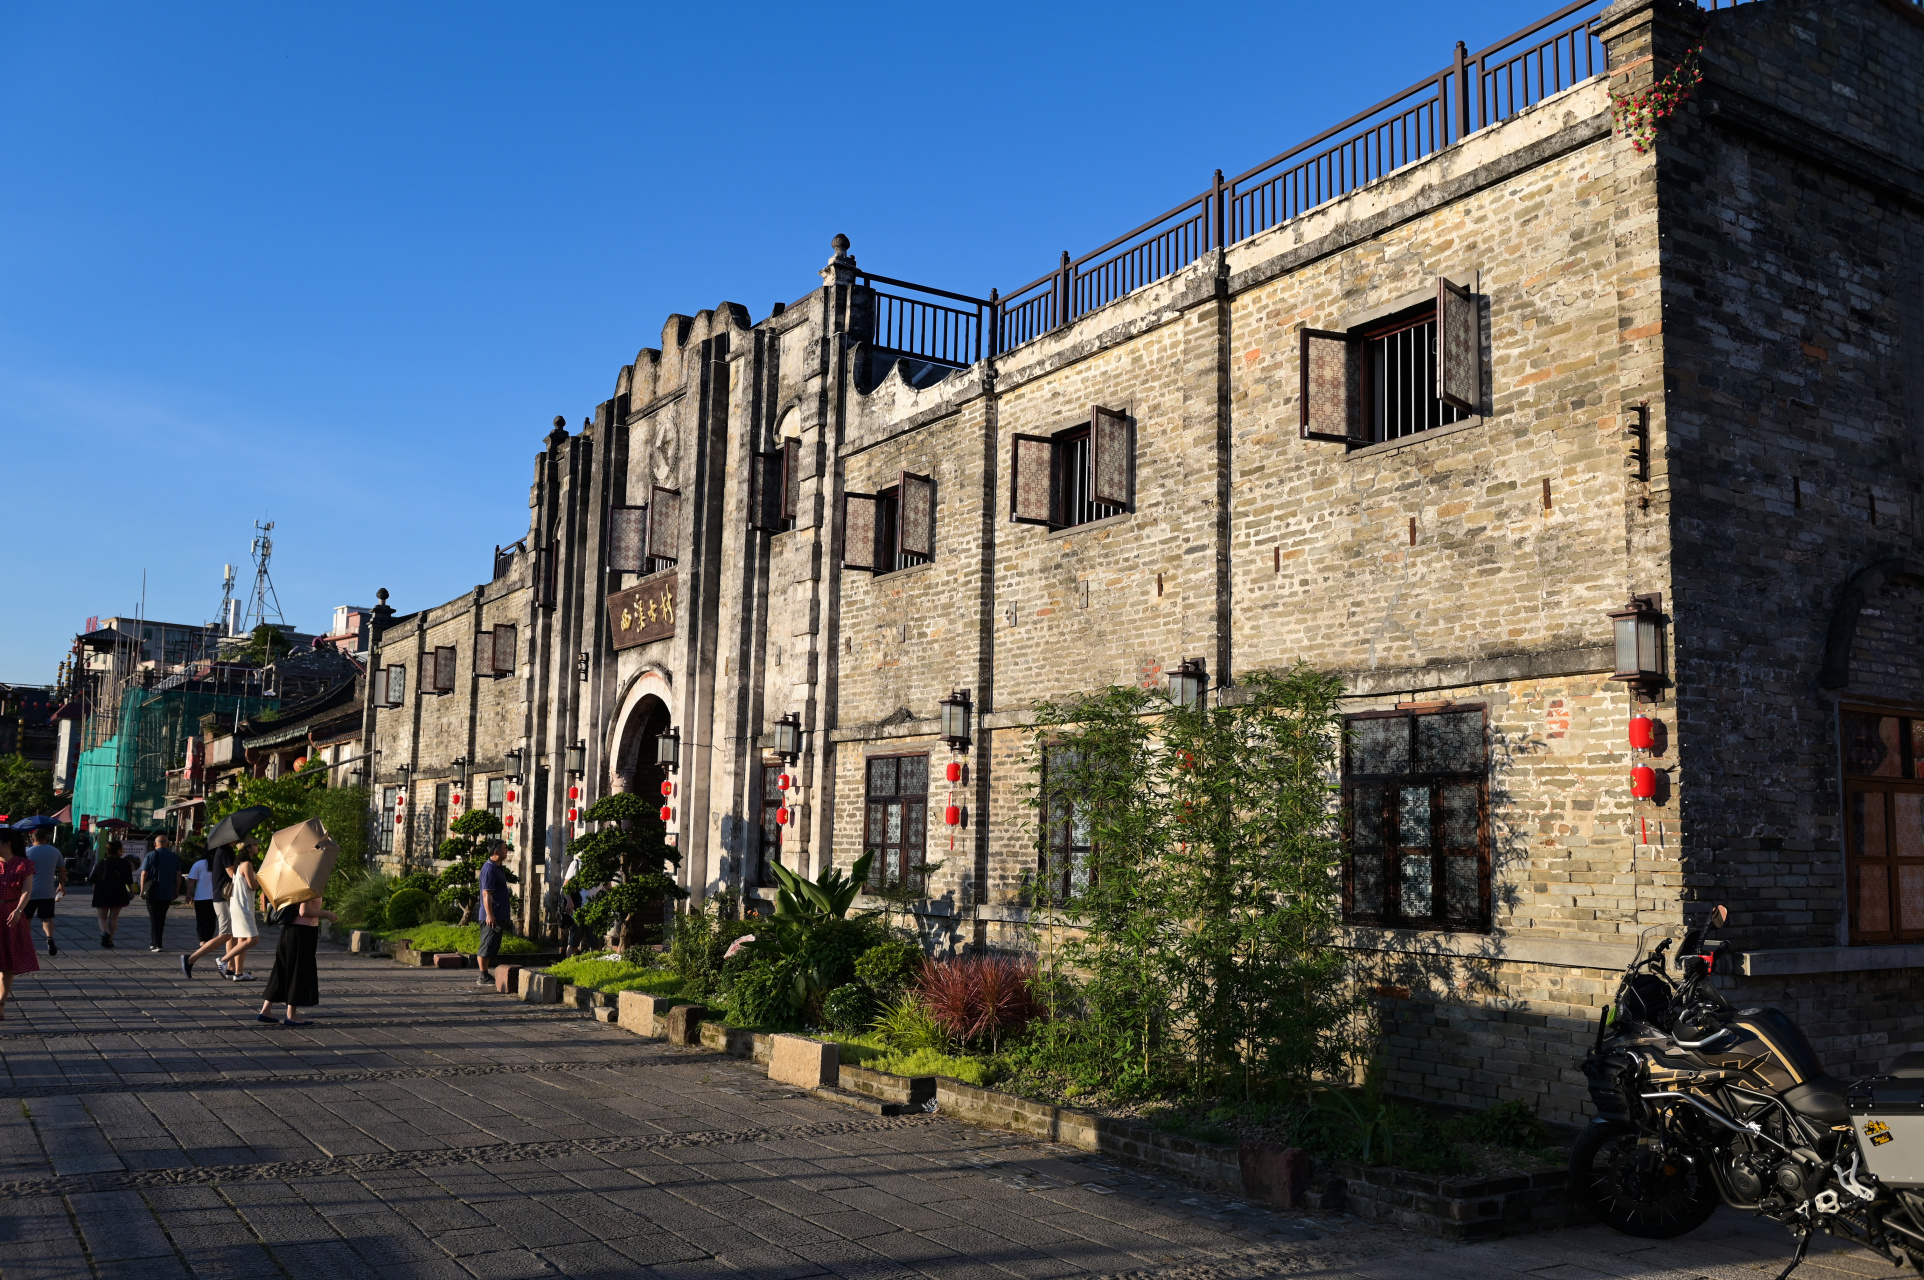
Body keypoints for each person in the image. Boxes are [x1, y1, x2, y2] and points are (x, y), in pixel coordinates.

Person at [258, 893, 335, 1026]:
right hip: (302, 932)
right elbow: (304, 911)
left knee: (281, 969)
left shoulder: (294, 884)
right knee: (298, 970)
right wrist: (326, 913)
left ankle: (265, 1010)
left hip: (290, 930)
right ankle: (291, 1015)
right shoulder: (308, 885)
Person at [0, 832, 40, 1019]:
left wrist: (18, 911)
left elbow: (27, 891)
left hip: (10, 915)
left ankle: (1, 1003)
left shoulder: (23, 865)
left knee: (7, 965)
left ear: (7, 843)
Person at [138, 833, 184, 953]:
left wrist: (142, 889)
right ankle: (157, 942)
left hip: (152, 891)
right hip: (167, 891)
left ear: (155, 844)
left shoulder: (151, 855)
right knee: (161, 917)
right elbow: (178, 875)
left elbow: (144, 874)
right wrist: (177, 890)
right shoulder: (174, 857)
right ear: (168, 844)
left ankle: (156, 943)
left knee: (154, 917)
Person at [23, 828, 65, 957]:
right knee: (47, 918)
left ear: (32, 839)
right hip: (47, 892)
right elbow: (62, 870)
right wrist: (61, 885)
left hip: (28, 892)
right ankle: (49, 938)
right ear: (46, 839)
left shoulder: (26, 852)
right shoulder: (55, 852)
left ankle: (26, 944)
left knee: (26, 919)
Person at [475, 841, 511, 986]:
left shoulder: (498, 867)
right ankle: (483, 976)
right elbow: (486, 894)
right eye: (504, 849)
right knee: (487, 944)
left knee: (493, 945)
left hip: (498, 913)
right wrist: (489, 914)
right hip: (491, 914)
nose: (507, 850)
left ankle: (486, 974)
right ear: (496, 852)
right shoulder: (489, 869)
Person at [89, 838, 133, 947]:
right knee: (114, 918)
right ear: (118, 851)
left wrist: (95, 891)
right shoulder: (125, 864)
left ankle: (105, 932)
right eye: (122, 849)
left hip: (102, 892)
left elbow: (94, 880)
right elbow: (129, 880)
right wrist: (132, 892)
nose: (123, 851)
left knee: (102, 917)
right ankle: (110, 939)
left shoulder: (102, 863)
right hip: (118, 893)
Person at [183, 847, 218, 955]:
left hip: (200, 897)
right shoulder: (218, 864)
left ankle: (202, 941)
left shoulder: (198, 864)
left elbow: (191, 881)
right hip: (215, 897)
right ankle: (208, 940)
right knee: (212, 920)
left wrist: (188, 894)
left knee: (201, 920)